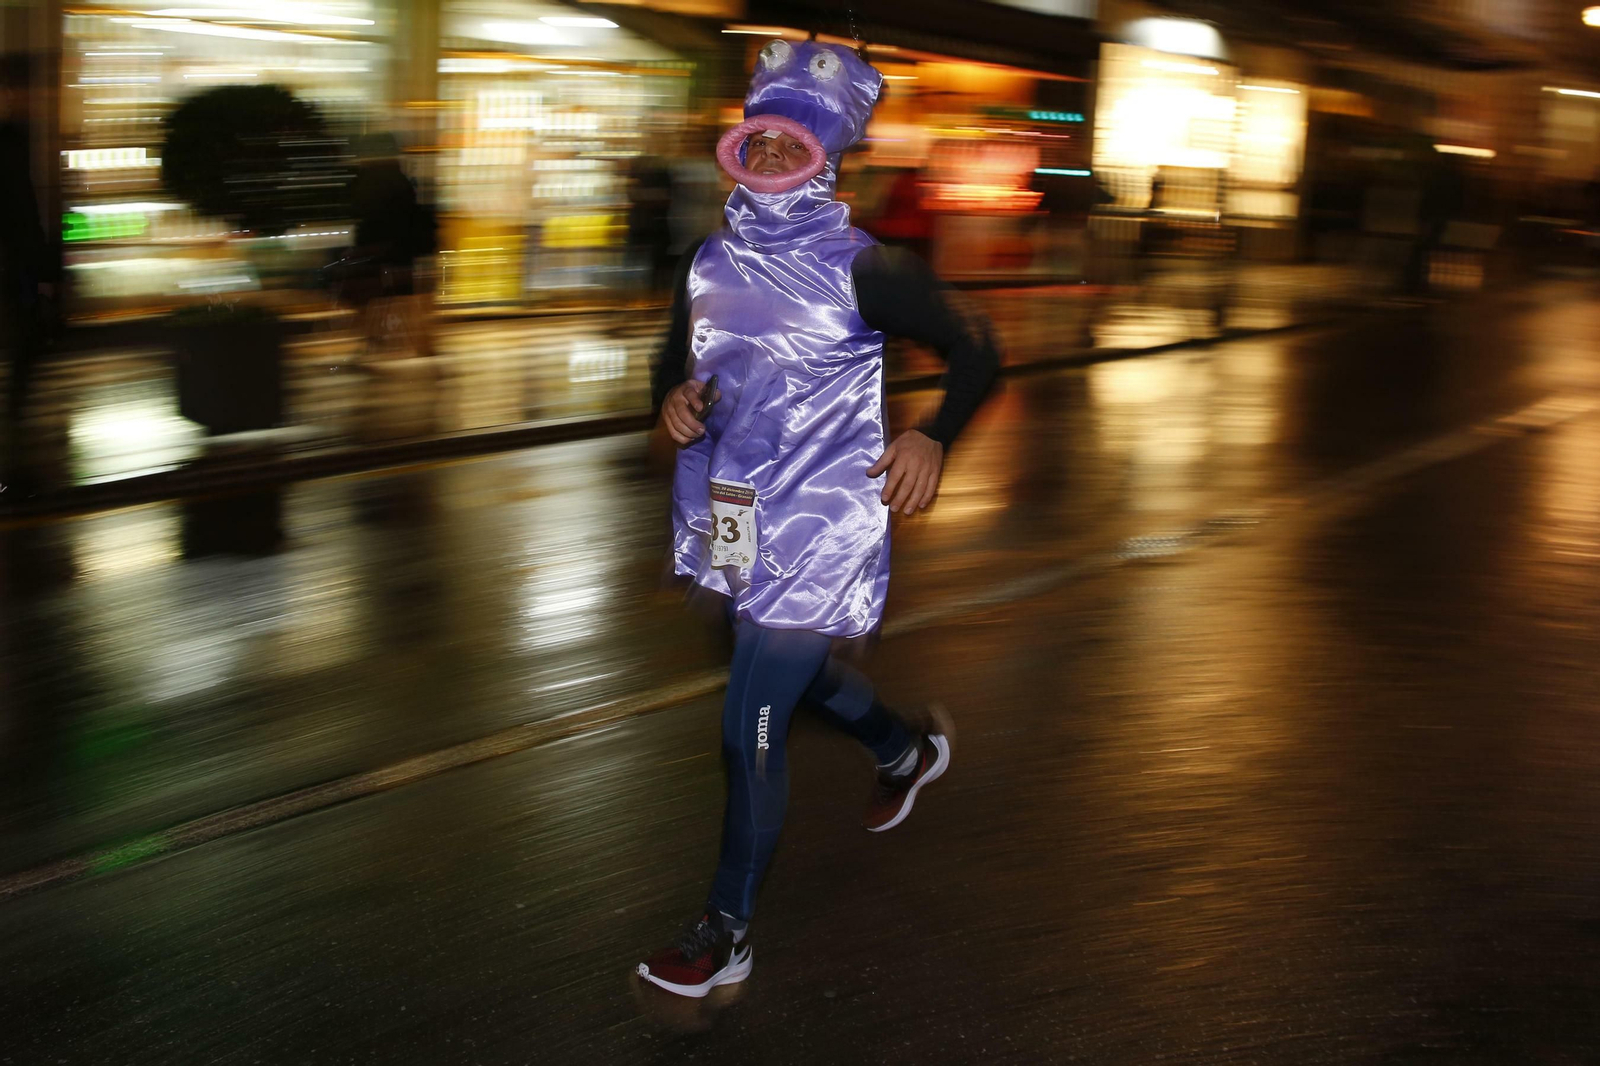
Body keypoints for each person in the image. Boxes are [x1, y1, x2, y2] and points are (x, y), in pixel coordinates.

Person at [636, 40, 1000, 999]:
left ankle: (726, 930)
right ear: (736, 147)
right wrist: (672, 403)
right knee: (774, 671)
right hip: (732, 512)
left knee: (748, 718)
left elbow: (977, 346)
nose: (765, 159)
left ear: (823, 159)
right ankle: (905, 749)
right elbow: (674, 361)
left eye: (787, 146)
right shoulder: (707, 256)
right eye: (755, 142)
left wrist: (933, 436)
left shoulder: (869, 268)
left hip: (826, 520)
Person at [0, 54, 56, 495]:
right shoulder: (11, 140)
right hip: (10, 265)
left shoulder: (14, 137)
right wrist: (39, 268)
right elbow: (22, 210)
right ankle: (12, 437)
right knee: (26, 341)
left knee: (26, 344)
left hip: (12, 264)